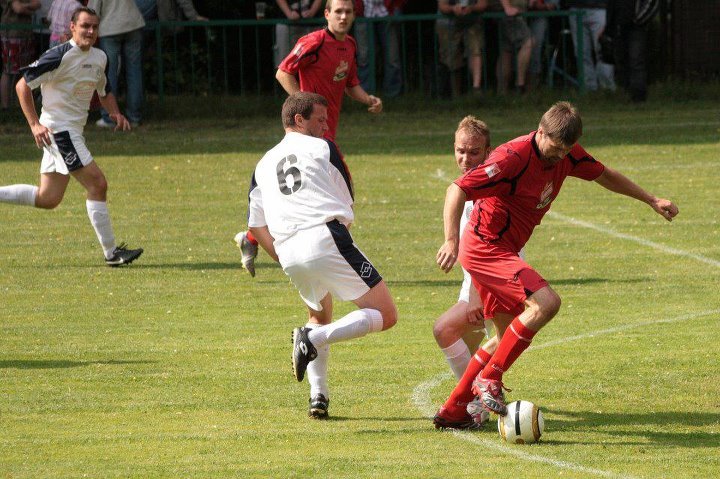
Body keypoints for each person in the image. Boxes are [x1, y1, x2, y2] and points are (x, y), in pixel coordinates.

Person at [433, 101, 678, 428]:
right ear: (540, 131)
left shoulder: (568, 154)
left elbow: (605, 175)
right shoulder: (512, 157)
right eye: (555, 148)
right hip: (485, 248)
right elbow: (456, 189)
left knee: (505, 337)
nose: (559, 156)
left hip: (504, 249)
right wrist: (451, 239)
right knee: (546, 303)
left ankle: (453, 411)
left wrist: (651, 199)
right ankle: (488, 379)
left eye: (566, 150)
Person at [247, 91, 398, 419]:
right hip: (326, 237)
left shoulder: (262, 164)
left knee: (320, 313)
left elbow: (256, 227)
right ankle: (311, 338)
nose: (326, 126)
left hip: (288, 250)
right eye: (320, 120)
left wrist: (286, 255)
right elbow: (348, 194)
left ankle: (319, 397)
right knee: (386, 315)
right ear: (298, 120)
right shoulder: (323, 147)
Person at [235, 0, 383, 276]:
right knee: (343, 189)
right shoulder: (313, 42)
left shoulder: (349, 45)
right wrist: (301, 106)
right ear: (326, 14)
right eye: (337, 11)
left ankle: (252, 237)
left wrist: (368, 99)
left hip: (325, 133)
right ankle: (335, 253)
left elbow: (350, 82)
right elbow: (283, 72)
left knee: (304, 190)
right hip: (310, 135)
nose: (343, 16)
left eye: (348, 12)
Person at [0, 7, 143, 267]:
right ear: (72, 27)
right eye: (85, 26)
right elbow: (22, 85)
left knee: (48, 198)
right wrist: (34, 124)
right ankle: (112, 253)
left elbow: (104, 90)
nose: (90, 31)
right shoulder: (58, 55)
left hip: (72, 132)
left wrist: (115, 113)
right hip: (60, 132)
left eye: (94, 27)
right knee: (97, 184)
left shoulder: (100, 57)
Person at [433, 116, 527, 383]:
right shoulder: (468, 186)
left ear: (488, 152)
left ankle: (475, 398)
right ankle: (479, 395)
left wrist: (477, 295)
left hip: (494, 283)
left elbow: (487, 247)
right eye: (460, 151)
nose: (465, 159)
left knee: (445, 330)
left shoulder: (489, 188)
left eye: (474, 152)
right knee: (475, 348)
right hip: (480, 282)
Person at [87, 0, 144, 127]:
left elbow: (92, 11)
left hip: (110, 28)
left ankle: (110, 117)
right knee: (134, 72)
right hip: (134, 24)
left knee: (108, 73)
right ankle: (134, 116)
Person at [606, 0, 657, 102]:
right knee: (622, 60)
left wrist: (638, 20)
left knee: (636, 61)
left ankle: (638, 97)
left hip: (636, 27)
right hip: (619, 25)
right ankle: (627, 93)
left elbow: (652, 3)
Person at [435, 0, 487, 97]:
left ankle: (476, 88)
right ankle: (455, 94)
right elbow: (442, 6)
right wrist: (453, 9)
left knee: (476, 50)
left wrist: (471, 8)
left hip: (472, 21)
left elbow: (483, 4)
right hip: (447, 23)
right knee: (451, 57)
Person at [353, 0, 405, 98]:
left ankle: (393, 94)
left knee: (392, 57)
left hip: (388, 12)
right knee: (363, 57)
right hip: (363, 13)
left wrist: (396, 6)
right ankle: (364, 95)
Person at [565, 0, 615, 91]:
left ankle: (607, 87)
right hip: (576, 9)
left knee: (604, 49)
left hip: (600, 8)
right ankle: (589, 87)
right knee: (581, 52)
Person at [1, 0, 41, 109]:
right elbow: (18, 8)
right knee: (8, 71)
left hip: (25, 34)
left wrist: (26, 7)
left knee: (23, 70)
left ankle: (19, 104)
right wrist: (30, 10)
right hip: (11, 35)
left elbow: (37, 4)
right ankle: (6, 107)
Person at [494, 0, 533, 94]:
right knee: (528, 42)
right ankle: (520, 85)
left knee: (506, 49)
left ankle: (502, 91)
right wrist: (507, 6)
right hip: (509, 13)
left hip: (512, 11)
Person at [273, 0, 323, 68]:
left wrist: (312, 11)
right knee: (285, 62)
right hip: (287, 24)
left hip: (312, 24)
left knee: (313, 61)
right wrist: (289, 13)